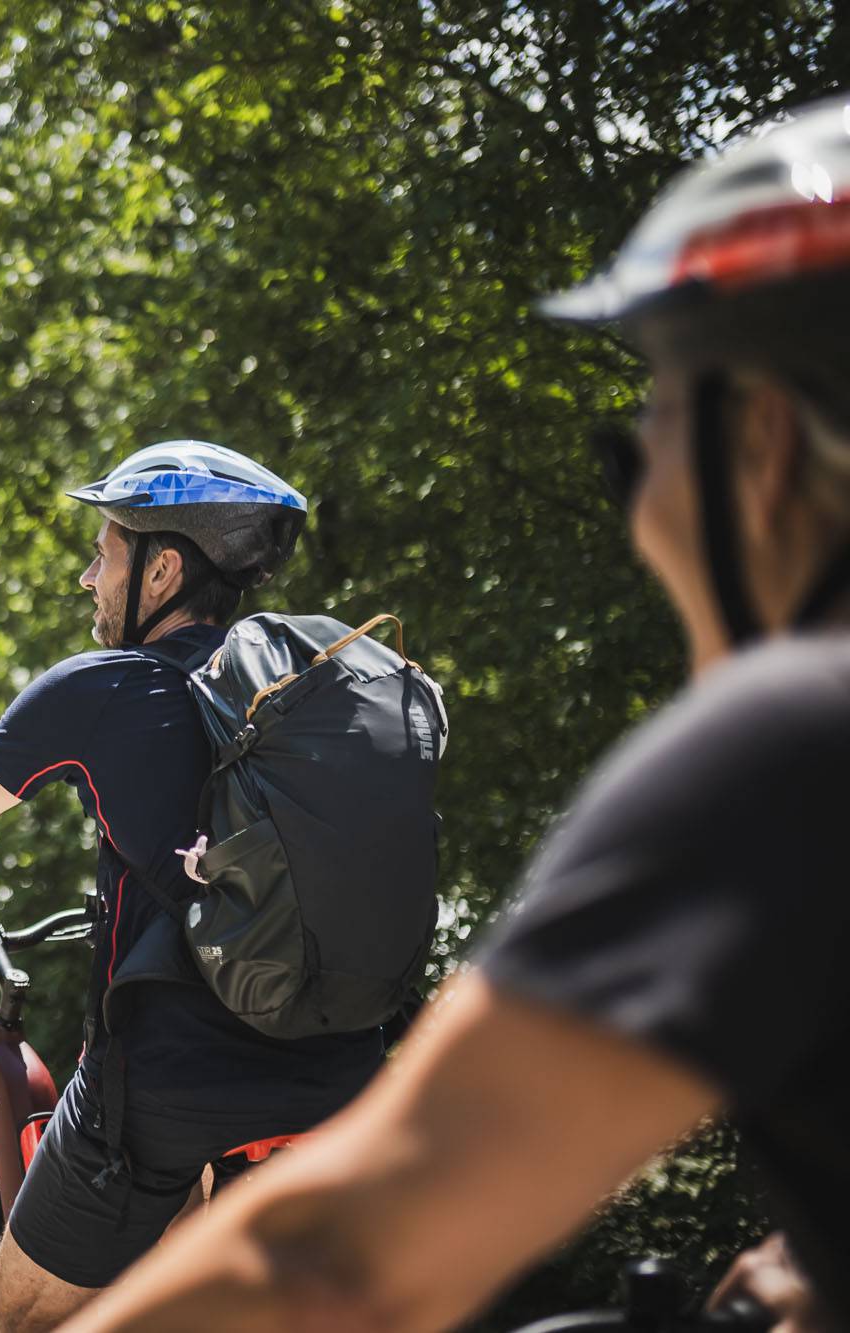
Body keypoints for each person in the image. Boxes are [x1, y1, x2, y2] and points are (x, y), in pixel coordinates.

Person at [62, 96, 850, 1333]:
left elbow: (339, 1255)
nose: (637, 509)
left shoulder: (787, 749)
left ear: (756, 442)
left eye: (635, 440)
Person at [0, 441, 386, 1333]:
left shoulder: (110, 688)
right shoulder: (305, 698)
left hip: (172, 1083)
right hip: (345, 1069)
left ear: (165, 569)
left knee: (25, 1307)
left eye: (104, 551)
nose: (86, 575)